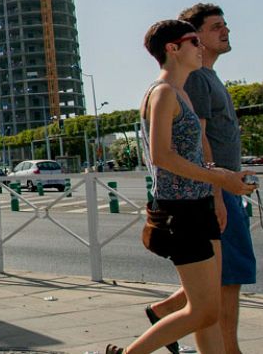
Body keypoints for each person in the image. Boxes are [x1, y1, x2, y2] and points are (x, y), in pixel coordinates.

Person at [105, 20, 255, 354]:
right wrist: (220, 178)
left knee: (209, 311)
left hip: (199, 207)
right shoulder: (162, 93)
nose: (201, 48)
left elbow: (193, 157)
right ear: (172, 49)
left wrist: (222, 181)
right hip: (180, 212)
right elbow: (162, 156)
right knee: (202, 311)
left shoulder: (183, 92)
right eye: (194, 42)